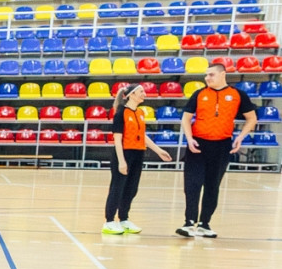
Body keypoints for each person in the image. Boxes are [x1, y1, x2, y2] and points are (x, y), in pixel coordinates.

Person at [178, 61, 257, 238]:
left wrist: (240, 137)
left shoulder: (238, 95)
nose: (207, 78)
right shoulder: (199, 94)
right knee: (192, 184)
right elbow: (186, 118)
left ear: (223, 75)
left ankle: (205, 223)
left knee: (212, 185)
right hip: (198, 145)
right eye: (206, 75)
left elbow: (251, 118)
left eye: (211, 75)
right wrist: (189, 139)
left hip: (222, 146)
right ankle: (189, 222)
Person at [102, 84, 172, 235]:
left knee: (131, 188)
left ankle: (124, 219)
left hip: (138, 153)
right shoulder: (121, 113)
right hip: (124, 153)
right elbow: (117, 139)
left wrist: (158, 150)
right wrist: (121, 161)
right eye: (141, 91)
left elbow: (142, 135)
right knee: (117, 188)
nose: (144, 94)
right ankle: (109, 221)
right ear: (131, 95)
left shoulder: (140, 112)